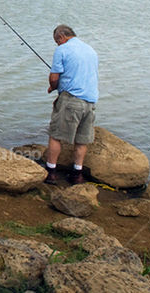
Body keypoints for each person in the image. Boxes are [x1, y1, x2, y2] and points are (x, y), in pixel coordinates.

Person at [43, 24, 99, 185]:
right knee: (82, 140)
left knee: (56, 136)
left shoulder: (62, 49)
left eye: (56, 41)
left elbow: (54, 78)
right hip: (91, 101)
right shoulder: (91, 50)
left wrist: (52, 87)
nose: (57, 44)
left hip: (71, 100)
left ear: (61, 37)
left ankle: (50, 172)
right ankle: (77, 174)